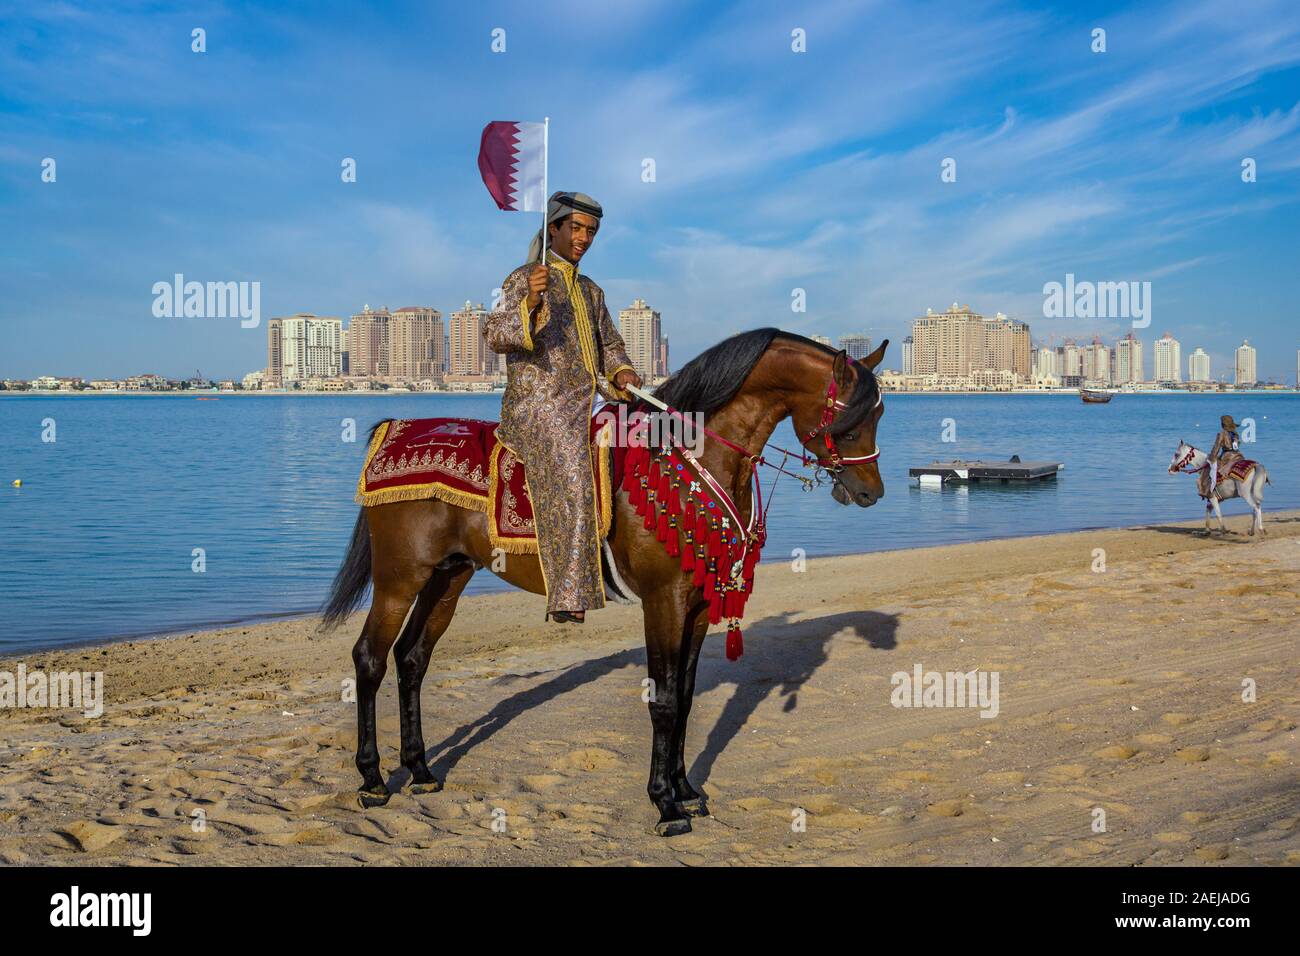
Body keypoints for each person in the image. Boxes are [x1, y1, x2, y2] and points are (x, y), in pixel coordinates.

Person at [484, 191, 642, 623]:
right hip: (538, 406)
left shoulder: (591, 291)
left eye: (591, 230)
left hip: (585, 403)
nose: (584, 237)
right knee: (574, 475)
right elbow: (494, 333)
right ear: (552, 228)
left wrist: (623, 373)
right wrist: (530, 303)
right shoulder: (523, 277)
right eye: (575, 228)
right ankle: (568, 594)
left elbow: (610, 346)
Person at [1204, 414, 1242, 498]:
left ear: (1223, 424)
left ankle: (1212, 489)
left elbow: (1216, 447)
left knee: (1212, 470)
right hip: (1238, 456)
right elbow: (1236, 447)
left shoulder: (1221, 434)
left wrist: (1211, 458)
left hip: (1227, 457)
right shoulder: (1235, 434)